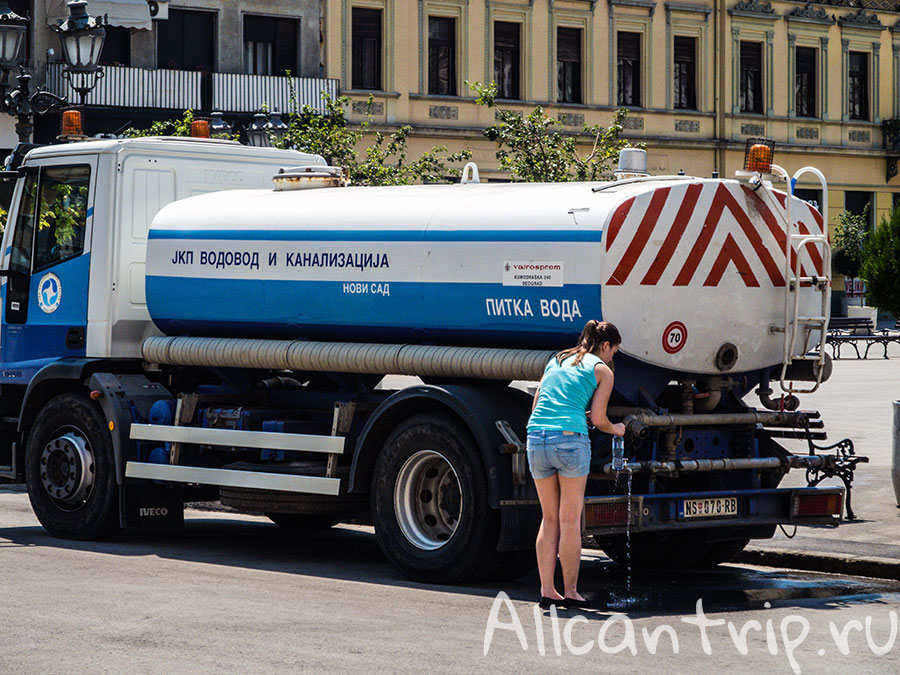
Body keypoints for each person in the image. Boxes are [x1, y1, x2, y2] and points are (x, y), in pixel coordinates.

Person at [526, 320, 625, 609]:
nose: (612, 357)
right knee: (569, 520)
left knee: (549, 519)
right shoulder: (602, 370)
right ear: (605, 345)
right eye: (613, 351)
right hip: (570, 441)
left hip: (536, 438)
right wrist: (617, 429)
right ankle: (570, 592)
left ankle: (547, 590)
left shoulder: (556, 360)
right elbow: (599, 419)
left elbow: (537, 405)